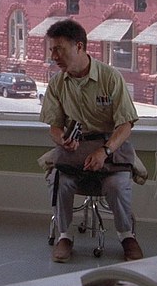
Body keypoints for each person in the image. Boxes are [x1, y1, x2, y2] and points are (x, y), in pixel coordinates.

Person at [40, 19, 143, 262]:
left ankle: (127, 236)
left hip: (109, 148)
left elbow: (125, 125)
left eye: (59, 49)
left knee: (116, 186)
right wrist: (63, 139)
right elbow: (54, 127)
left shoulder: (110, 78)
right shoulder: (57, 84)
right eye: (51, 50)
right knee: (59, 180)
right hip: (74, 150)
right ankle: (64, 236)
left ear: (79, 46)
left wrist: (104, 152)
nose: (53, 56)